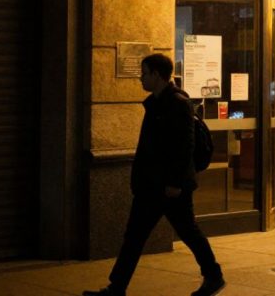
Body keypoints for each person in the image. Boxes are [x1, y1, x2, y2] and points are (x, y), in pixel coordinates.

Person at [84, 53, 225, 296]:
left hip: (170, 187)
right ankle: (116, 287)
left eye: (145, 72)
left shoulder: (177, 104)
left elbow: (184, 147)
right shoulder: (156, 103)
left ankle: (213, 276)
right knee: (135, 237)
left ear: (157, 75)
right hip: (152, 184)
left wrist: (174, 182)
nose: (141, 77)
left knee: (188, 232)